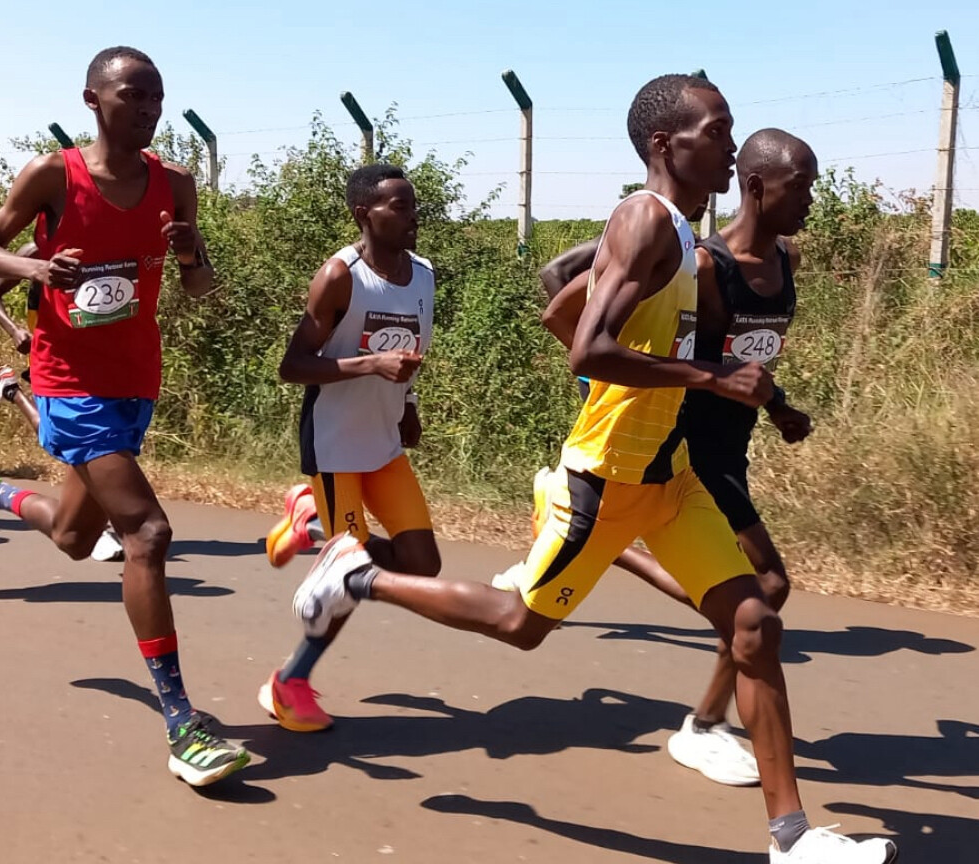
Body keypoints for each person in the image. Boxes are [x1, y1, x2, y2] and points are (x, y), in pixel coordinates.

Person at [290, 75, 896, 864]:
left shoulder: (683, 233)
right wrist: (710, 378)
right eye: (716, 131)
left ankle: (792, 839)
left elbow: (571, 311)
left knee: (755, 623)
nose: (728, 145)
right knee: (520, 626)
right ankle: (356, 575)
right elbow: (588, 347)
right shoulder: (644, 220)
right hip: (607, 479)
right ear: (665, 145)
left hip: (670, 477)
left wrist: (735, 394)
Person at [0, 46, 248, 787]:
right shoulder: (54, 175)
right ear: (93, 99)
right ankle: (182, 724)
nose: (147, 109)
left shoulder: (176, 183)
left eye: (156, 97)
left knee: (75, 537)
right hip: (67, 378)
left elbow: (199, 289)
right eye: (131, 95)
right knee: (147, 533)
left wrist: (193, 254)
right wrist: (36, 267)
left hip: (135, 377)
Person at [530, 130, 819, 789]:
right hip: (691, 442)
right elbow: (564, 306)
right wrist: (602, 384)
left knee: (748, 596)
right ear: (757, 187)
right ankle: (705, 725)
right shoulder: (703, 261)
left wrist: (779, 408)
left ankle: (612, 546)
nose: (809, 199)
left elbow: (747, 357)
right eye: (800, 186)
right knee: (766, 588)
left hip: (733, 441)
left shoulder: (786, 259)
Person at [258, 163, 440, 733]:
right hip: (334, 443)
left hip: (383, 443)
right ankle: (290, 683)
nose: (413, 216)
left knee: (422, 564)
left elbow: (410, 349)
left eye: (413, 205)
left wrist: (408, 405)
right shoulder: (340, 276)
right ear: (364, 213)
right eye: (400, 207)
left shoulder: (424, 275)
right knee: (348, 572)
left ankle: (310, 523)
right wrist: (370, 365)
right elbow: (292, 366)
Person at [0, 243, 125, 562]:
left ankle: (11, 391)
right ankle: (96, 523)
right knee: (78, 437)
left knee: (75, 437)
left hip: (96, 352)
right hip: (52, 351)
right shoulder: (36, 249)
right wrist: (14, 330)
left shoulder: (109, 242)